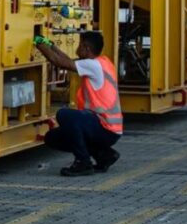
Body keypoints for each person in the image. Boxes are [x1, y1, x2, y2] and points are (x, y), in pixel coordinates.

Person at [33, 30, 123, 177]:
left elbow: (59, 62)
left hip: (105, 128)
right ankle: (104, 155)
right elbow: (68, 61)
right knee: (52, 137)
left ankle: (83, 162)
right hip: (108, 128)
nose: (77, 47)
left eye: (80, 44)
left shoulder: (93, 65)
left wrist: (37, 42)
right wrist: (51, 46)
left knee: (65, 115)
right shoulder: (102, 62)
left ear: (86, 48)